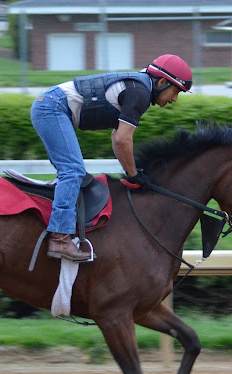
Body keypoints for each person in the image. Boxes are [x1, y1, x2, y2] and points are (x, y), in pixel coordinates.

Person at [30, 54, 193, 262]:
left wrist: (132, 173)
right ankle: (60, 238)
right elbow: (123, 139)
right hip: (52, 107)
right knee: (73, 171)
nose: (174, 99)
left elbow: (117, 138)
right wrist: (133, 174)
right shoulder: (140, 93)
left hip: (50, 105)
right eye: (176, 91)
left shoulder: (137, 88)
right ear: (162, 82)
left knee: (74, 171)